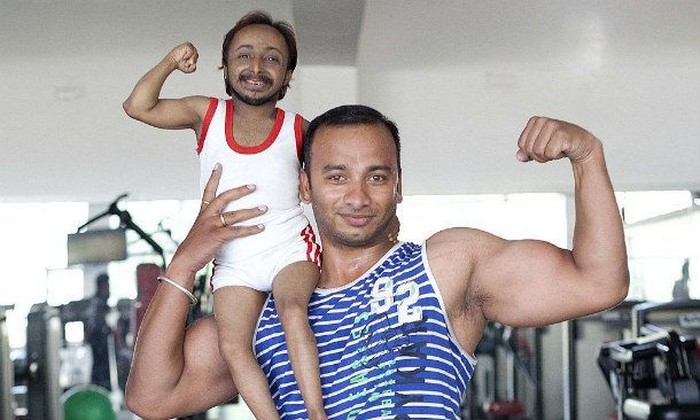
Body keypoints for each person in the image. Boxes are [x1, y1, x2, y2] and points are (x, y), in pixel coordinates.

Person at [125, 104, 629, 418]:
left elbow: (599, 282)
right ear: (305, 187)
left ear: (398, 186)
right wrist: (185, 262)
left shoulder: (446, 267)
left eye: (377, 176)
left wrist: (587, 157)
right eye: (336, 176)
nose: (358, 197)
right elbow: (152, 399)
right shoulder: (260, 311)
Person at [122, 11, 326, 419]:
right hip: (234, 261)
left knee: (292, 312)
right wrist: (170, 62)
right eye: (244, 55)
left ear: (287, 76)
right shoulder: (208, 115)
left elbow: (331, 180)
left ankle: (316, 413)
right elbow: (137, 106)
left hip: (288, 247)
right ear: (226, 67)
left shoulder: (300, 129)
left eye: (272, 58)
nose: (256, 66)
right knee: (233, 347)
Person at [85, 273, 112, 391]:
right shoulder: (98, 302)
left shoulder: (100, 301)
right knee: (100, 369)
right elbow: (96, 322)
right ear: (101, 285)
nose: (109, 288)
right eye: (107, 285)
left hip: (99, 339)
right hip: (98, 340)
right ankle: (100, 390)